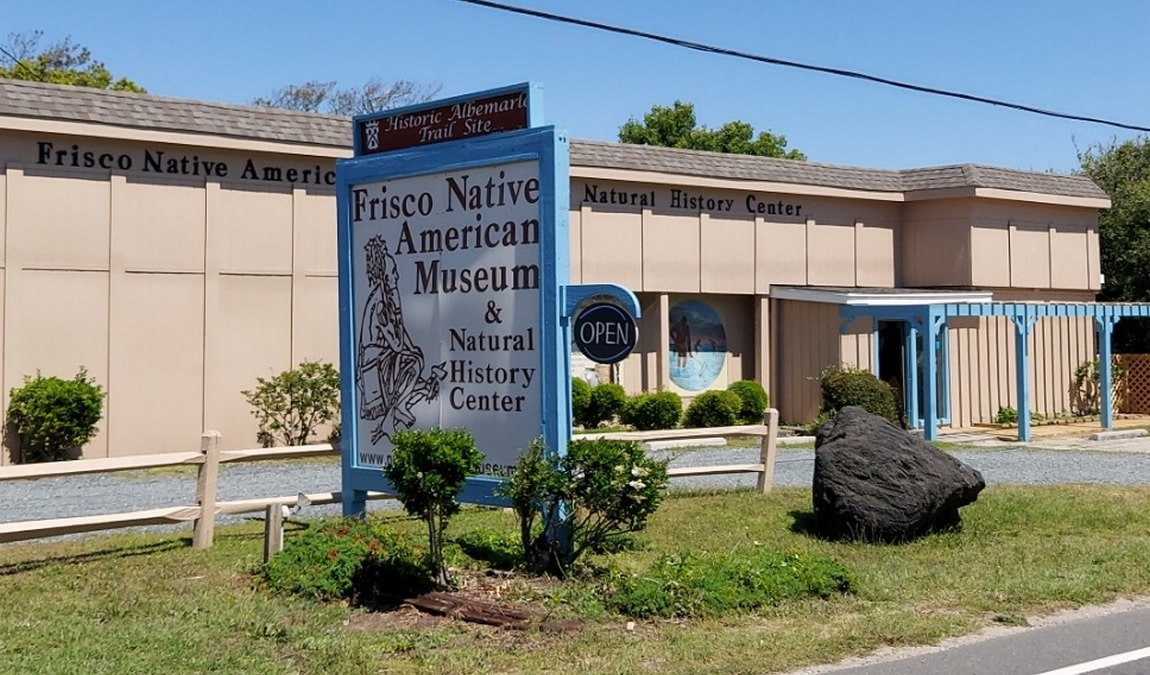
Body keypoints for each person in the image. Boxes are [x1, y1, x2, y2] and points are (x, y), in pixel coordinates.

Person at [357, 236, 443, 442]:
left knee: (417, 366)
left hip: (382, 361)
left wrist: (416, 353)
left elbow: (403, 338)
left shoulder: (386, 298)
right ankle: (393, 414)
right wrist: (413, 354)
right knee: (413, 363)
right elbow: (396, 343)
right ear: (384, 276)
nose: (396, 276)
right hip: (372, 370)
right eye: (392, 272)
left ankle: (398, 410)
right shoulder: (380, 303)